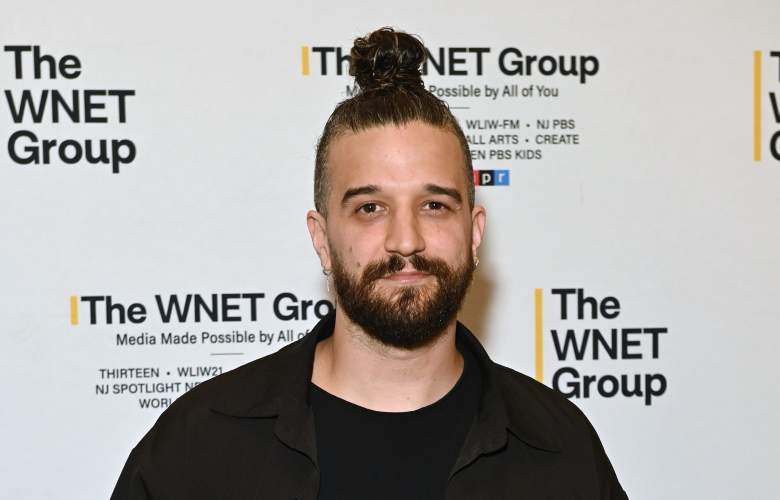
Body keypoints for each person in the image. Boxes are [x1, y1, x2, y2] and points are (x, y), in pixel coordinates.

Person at [110, 27, 628, 500]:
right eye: (370, 208)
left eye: (434, 205)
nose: (406, 239)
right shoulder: (199, 450)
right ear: (322, 240)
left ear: (474, 234)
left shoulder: (560, 451)